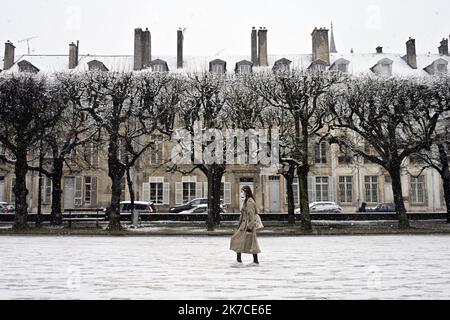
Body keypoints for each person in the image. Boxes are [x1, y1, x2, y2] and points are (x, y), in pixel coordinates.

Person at [230, 186, 261, 267]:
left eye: (242, 191)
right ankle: (255, 261)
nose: (241, 193)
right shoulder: (247, 201)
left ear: (246, 192)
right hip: (244, 225)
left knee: (236, 240)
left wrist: (249, 227)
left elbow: (251, 215)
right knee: (251, 243)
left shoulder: (249, 202)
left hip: (246, 226)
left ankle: (239, 261)